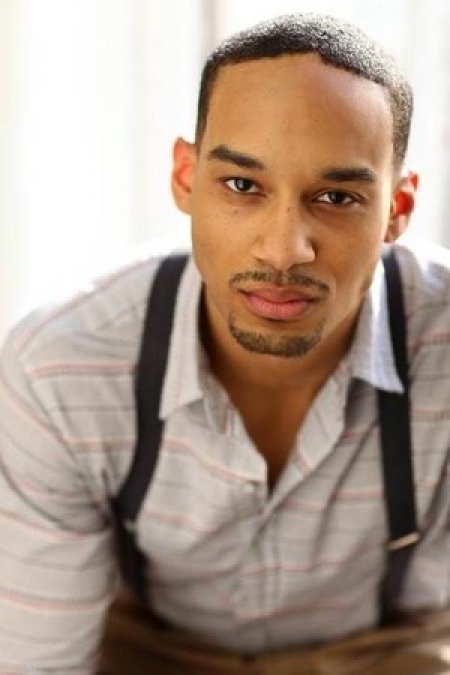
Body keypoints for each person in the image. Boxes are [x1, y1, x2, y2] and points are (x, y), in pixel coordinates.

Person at [0, 11, 448, 674]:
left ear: (397, 209)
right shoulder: (61, 368)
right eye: (242, 186)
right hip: (147, 656)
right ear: (186, 178)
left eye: (336, 197)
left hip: (380, 657)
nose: (283, 250)